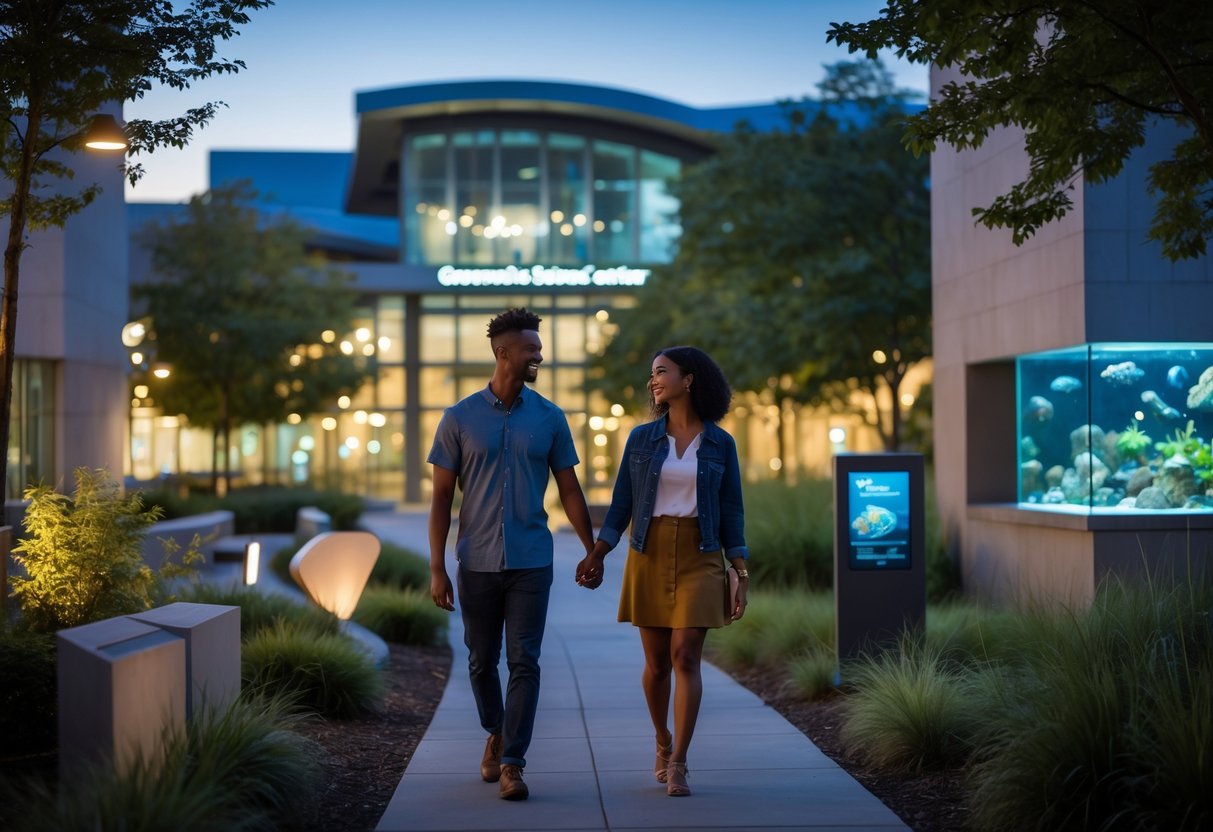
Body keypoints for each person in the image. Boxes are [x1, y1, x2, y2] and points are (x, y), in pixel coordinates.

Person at [428, 307, 596, 801]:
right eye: (530, 349)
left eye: (538, 349)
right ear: (503, 353)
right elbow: (441, 498)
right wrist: (437, 567)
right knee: (481, 662)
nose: (538, 355)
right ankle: (495, 730)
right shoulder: (458, 418)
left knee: (525, 661)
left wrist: (593, 550)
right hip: (475, 560)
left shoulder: (550, 418)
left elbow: (570, 489)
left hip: (531, 561)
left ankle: (512, 763)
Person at [575, 345, 749, 797]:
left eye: (661, 372)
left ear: (688, 379)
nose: (653, 381)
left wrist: (740, 573)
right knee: (656, 665)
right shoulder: (641, 439)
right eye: (652, 374)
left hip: (702, 552)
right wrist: (598, 552)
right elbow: (622, 504)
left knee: (685, 655)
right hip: (649, 552)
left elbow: (732, 510)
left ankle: (679, 762)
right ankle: (661, 738)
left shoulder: (720, 443)